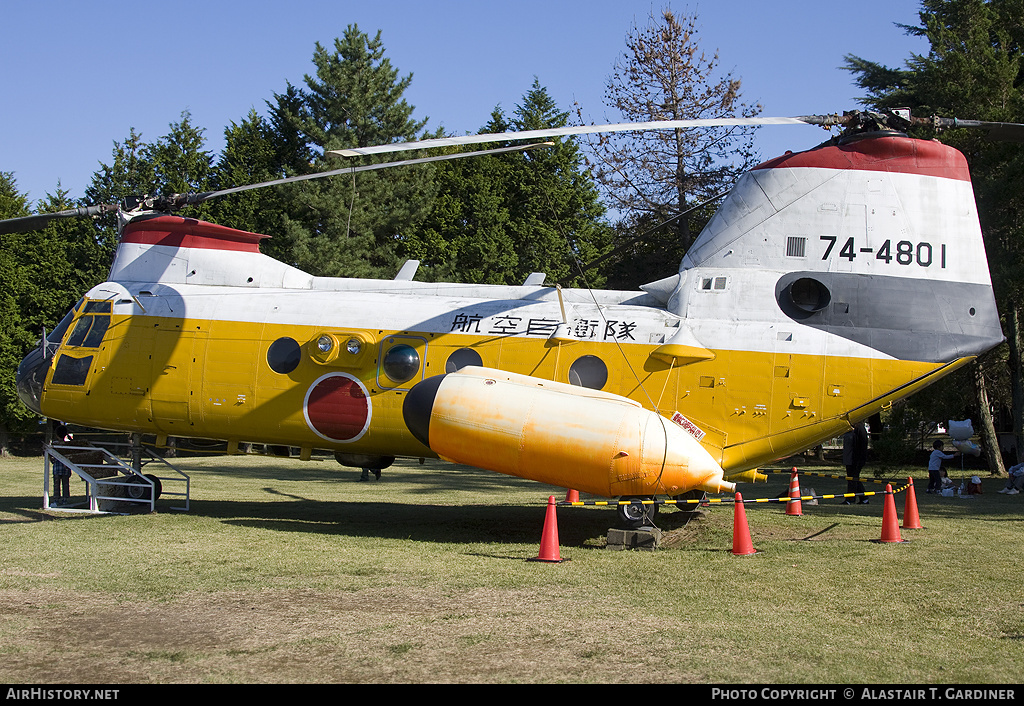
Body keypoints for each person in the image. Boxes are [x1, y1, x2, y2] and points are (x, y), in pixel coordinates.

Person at [841, 421, 869, 505]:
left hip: (856, 459)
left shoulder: (860, 429)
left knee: (853, 479)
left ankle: (850, 499)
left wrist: (859, 460)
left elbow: (863, 445)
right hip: (848, 458)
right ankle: (864, 498)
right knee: (853, 478)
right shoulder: (848, 428)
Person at [51, 422, 73, 505]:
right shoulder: (68, 444)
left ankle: (56, 500)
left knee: (56, 485)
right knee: (66, 484)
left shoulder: (54, 444)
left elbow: (51, 456)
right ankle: (65, 500)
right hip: (66, 468)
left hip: (57, 468)